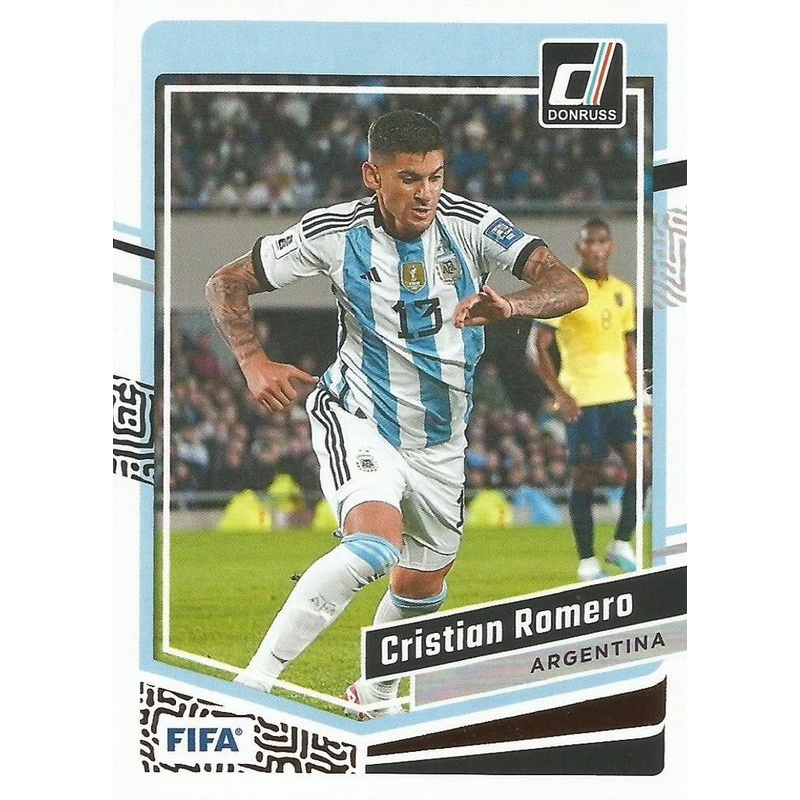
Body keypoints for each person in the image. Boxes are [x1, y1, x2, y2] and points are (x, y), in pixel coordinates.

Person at [204, 109, 587, 718]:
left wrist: (512, 305)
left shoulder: (472, 225)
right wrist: (253, 361)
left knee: (421, 588)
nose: (426, 193)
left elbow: (570, 285)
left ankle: (375, 696)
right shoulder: (334, 233)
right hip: (359, 414)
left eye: (435, 176)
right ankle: (251, 688)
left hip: (440, 441)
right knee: (375, 547)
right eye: (409, 178)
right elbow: (225, 283)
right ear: (373, 177)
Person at [526, 216, 650, 582]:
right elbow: (536, 348)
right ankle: (587, 561)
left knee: (644, 470)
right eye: (589, 242)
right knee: (586, 476)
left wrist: (640, 396)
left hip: (621, 396)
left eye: (602, 241)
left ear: (611, 246)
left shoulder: (623, 291)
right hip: (583, 399)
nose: (596, 248)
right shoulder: (565, 290)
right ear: (578, 248)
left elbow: (628, 348)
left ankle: (621, 544)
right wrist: (560, 394)